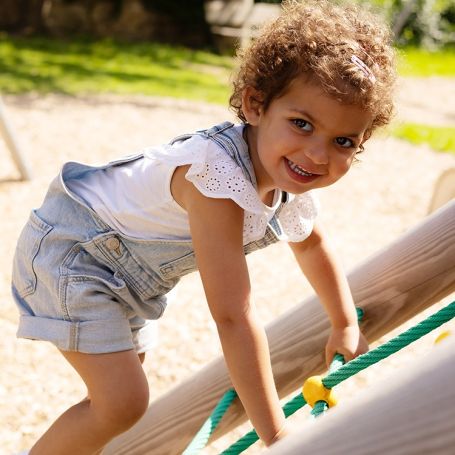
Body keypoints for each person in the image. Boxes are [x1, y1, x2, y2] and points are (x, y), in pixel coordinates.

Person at [12, 0, 396, 453]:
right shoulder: (216, 180)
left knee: (115, 400)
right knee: (122, 404)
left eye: (343, 141)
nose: (317, 154)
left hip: (131, 273)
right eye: (301, 123)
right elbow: (234, 316)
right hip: (76, 253)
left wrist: (344, 322)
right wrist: (276, 436)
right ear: (255, 105)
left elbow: (312, 246)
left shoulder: (287, 177)